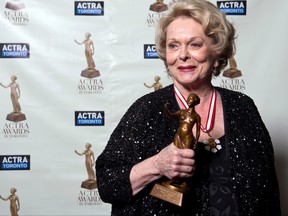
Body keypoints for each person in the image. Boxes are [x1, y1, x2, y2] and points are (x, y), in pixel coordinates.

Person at [96, 0, 281, 215]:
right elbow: (108, 184)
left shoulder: (242, 107)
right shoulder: (146, 109)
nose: (183, 55)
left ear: (217, 52)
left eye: (195, 44)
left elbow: (269, 191)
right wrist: (157, 165)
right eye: (174, 45)